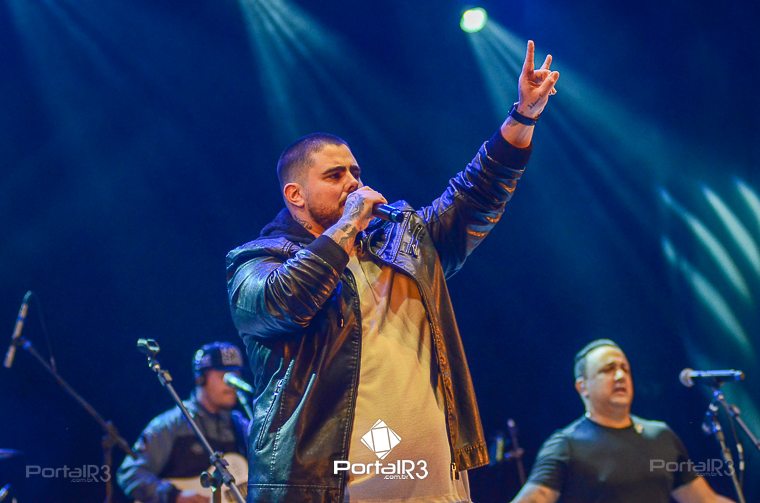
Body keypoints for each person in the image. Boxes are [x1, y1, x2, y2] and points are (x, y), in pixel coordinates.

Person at [226, 40, 559, 502]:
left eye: (355, 172)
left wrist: (522, 117)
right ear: (295, 195)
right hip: (335, 487)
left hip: (438, 483)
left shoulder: (402, 242)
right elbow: (285, 302)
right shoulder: (255, 261)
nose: (353, 183)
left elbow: (474, 196)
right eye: (334, 176)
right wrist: (347, 224)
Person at [511, 339, 734, 503]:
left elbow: (705, 500)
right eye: (608, 370)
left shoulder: (661, 436)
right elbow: (535, 498)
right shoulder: (566, 444)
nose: (620, 376)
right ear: (582, 387)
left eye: (625, 369)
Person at [117, 342, 250, 503]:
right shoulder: (171, 424)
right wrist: (173, 496)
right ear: (201, 378)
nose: (232, 383)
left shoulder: (242, 426)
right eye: (224, 375)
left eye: (236, 374)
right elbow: (130, 472)